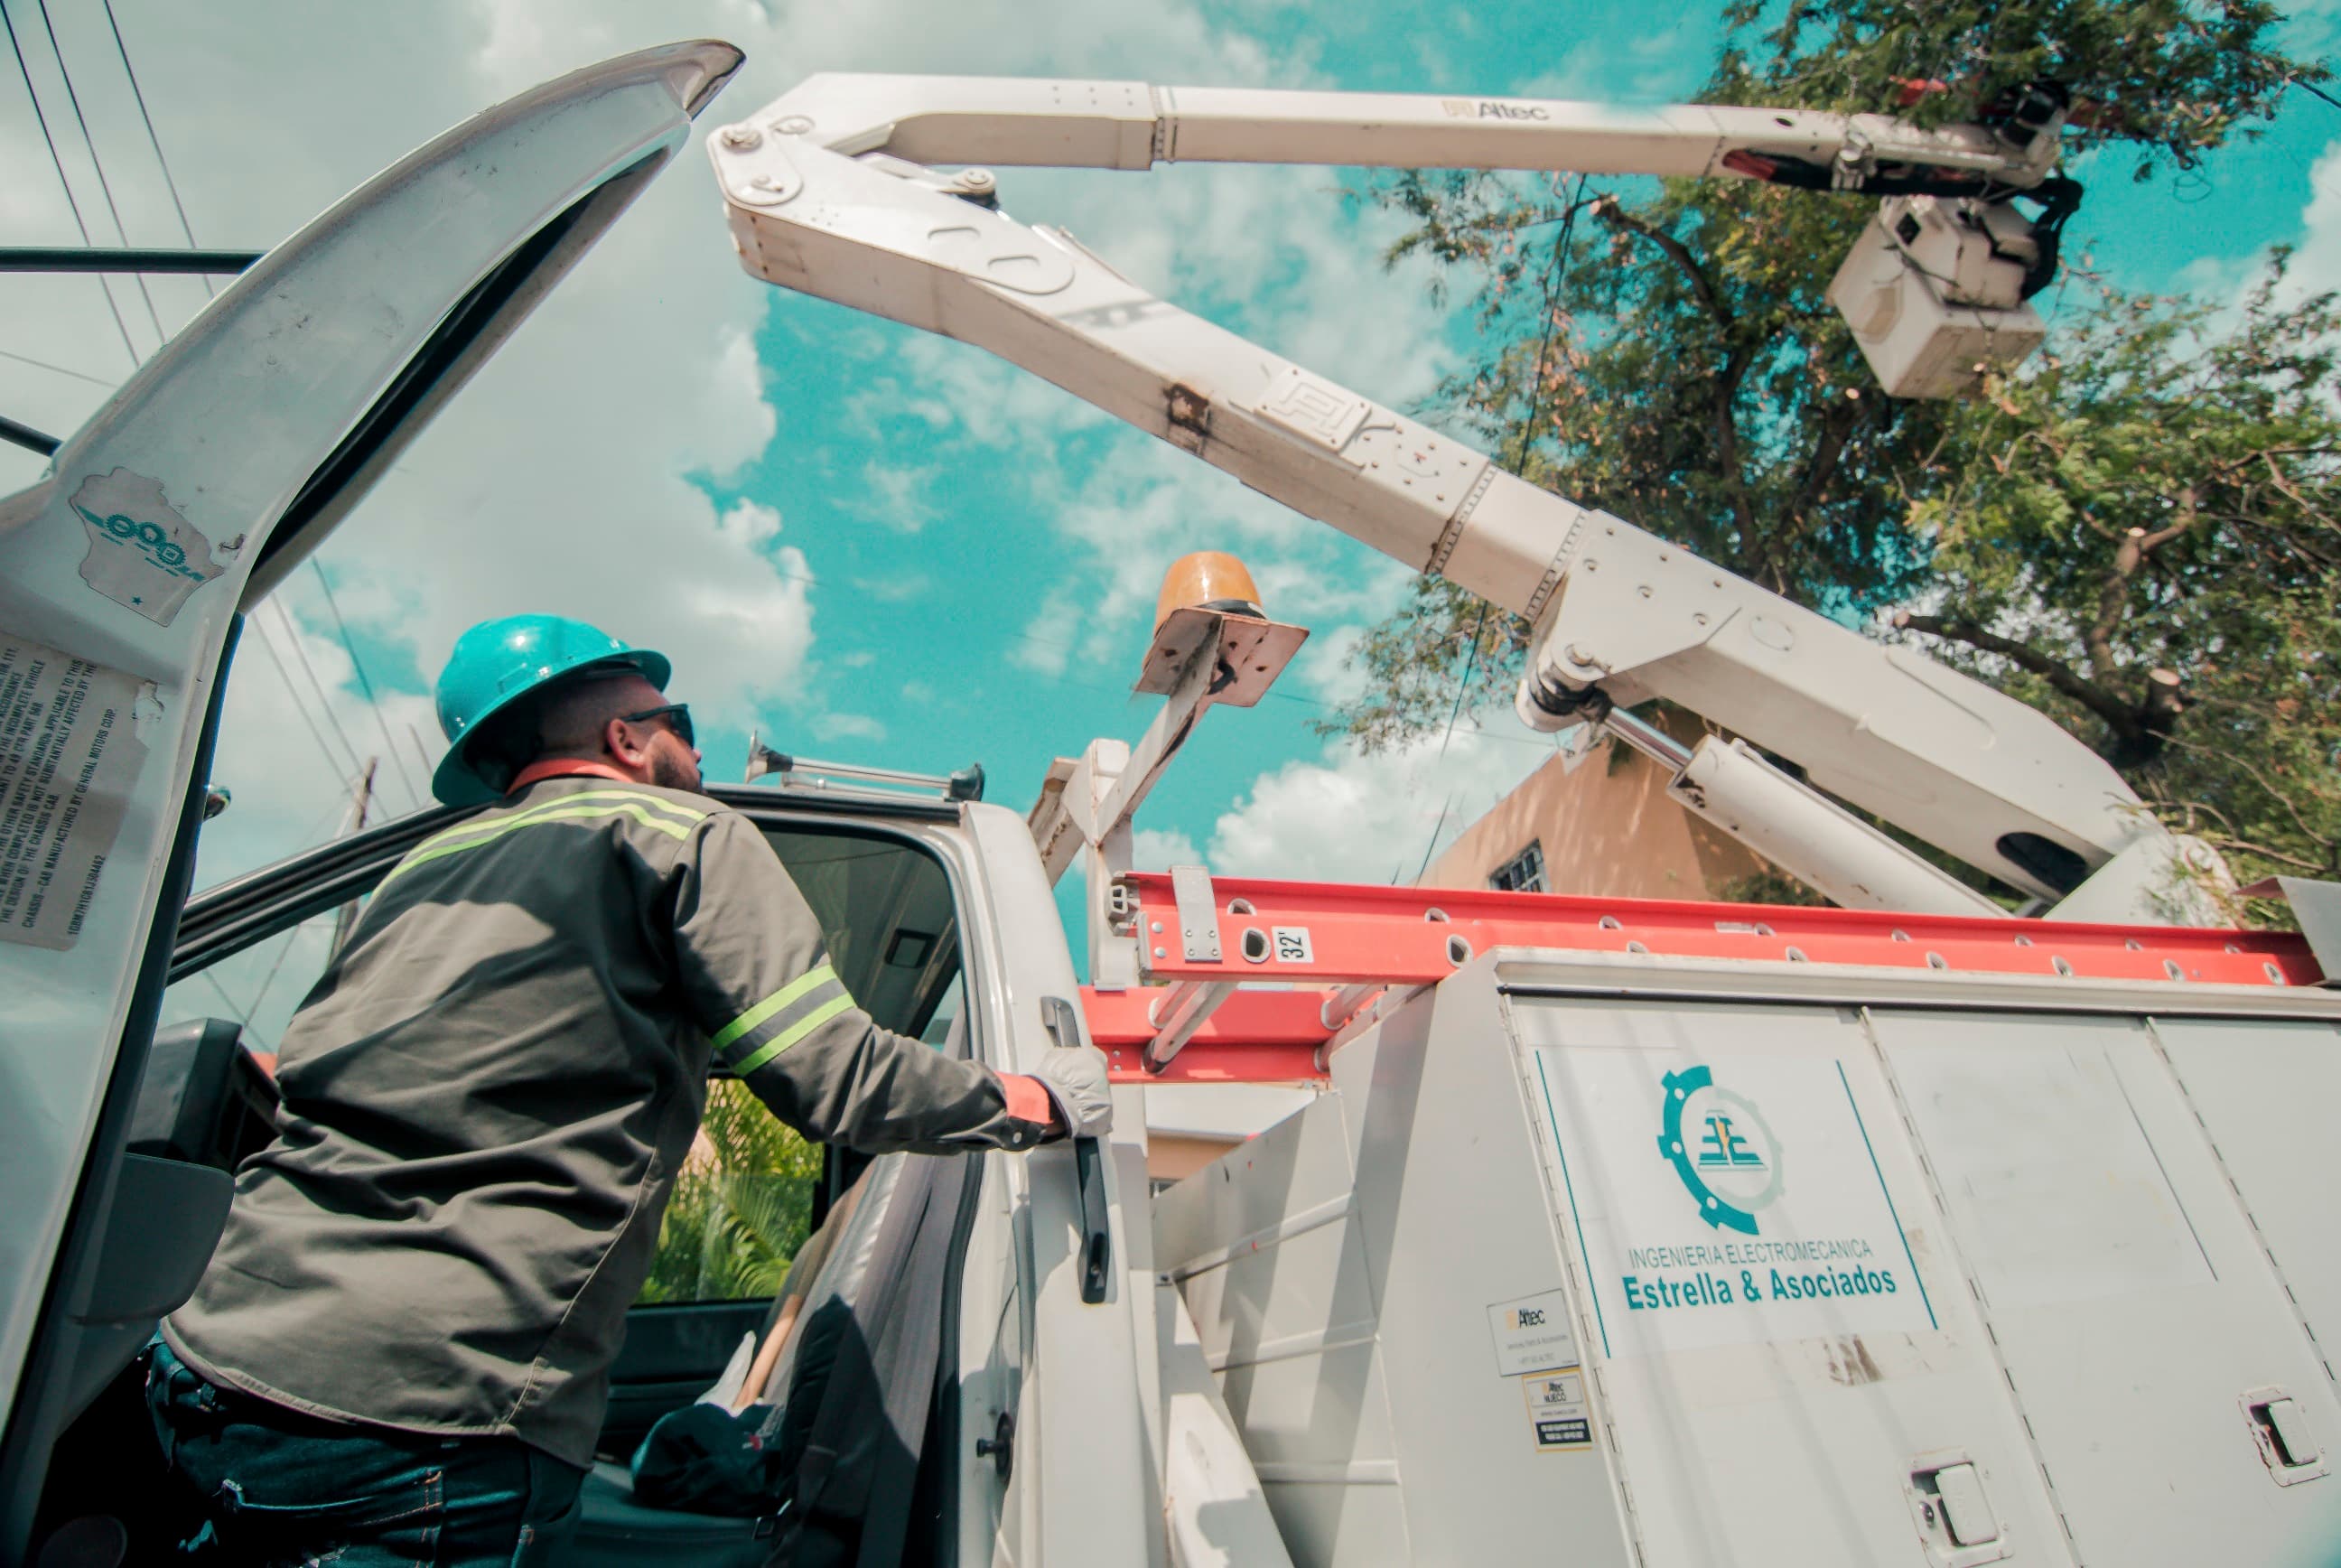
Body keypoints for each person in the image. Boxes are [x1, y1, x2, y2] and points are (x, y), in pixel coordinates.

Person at [145, 614, 1109, 1563]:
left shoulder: (420, 864)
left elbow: (304, 1072)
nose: (693, 748)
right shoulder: (680, 832)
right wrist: (1034, 1099)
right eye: (677, 721)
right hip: (426, 1414)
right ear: (626, 737)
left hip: (210, 1363)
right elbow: (834, 1073)